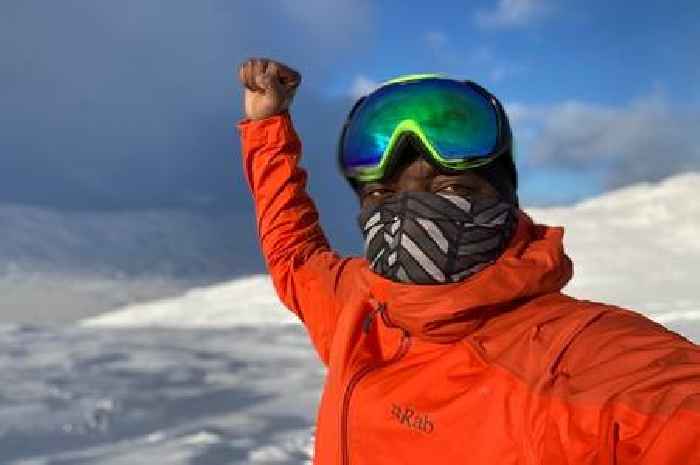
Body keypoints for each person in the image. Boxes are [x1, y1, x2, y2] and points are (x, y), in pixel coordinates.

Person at [236, 57, 700, 465]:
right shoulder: (357, 311)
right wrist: (268, 128)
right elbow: (291, 249)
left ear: (505, 200)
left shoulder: (576, 358)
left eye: (453, 189)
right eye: (381, 194)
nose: (412, 213)